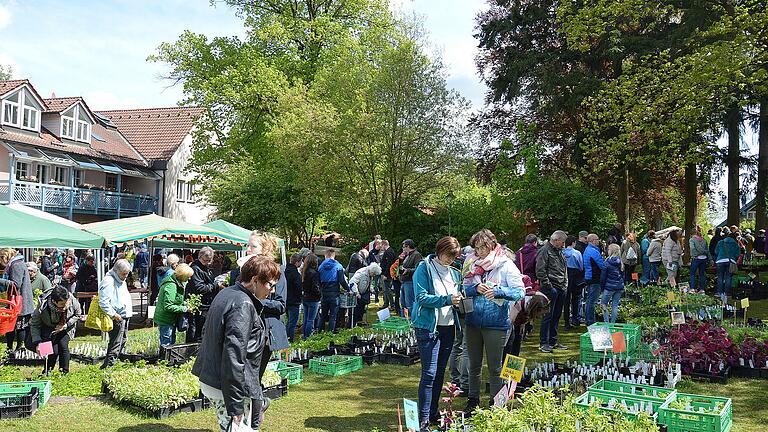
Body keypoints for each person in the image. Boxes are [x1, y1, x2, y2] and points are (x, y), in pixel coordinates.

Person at [192, 256, 280, 432]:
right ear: (255, 280)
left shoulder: (228, 293)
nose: (272, 290)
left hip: (217, 380)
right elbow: (234, 356)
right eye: (270, 284)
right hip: (226, 386)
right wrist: (236, 405)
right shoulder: (242, 303)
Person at [462, 229, 525, 413]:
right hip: (473, 321)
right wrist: (475, 288)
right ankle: (472, 401)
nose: (479, 252)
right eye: (476, 248)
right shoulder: (470, 262)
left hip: (496, 323)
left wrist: (498, 291)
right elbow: (460, 288)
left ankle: (496, 404)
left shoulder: (505, 264)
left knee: (495, 367)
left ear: (491, 245)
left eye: (482, 248)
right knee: (473, 365)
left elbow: (520, 291)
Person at [411, 236, 463, 431]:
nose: (451, 260)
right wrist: (448, 299)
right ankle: (423, 418)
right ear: (440, 250)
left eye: (454, 257)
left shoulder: (455, 273)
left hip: (448, 327)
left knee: (440, 372)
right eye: (448, 256)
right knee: (429, 373)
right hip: (428, 327)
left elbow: (458, 295)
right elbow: (421, 298)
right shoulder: (424, 268)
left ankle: (433, 412)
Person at [29, 285, 81, 375]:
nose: (65, 305)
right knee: (52, 349)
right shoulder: (43, 306)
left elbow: (78, 314)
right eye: (62, 304)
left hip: (66, 325)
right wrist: (37, 342)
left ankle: (64, 372)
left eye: (66, 302)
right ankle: (47, 371)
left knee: (63, 346)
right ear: (54, 301)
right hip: (48, 327)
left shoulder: (71, 299)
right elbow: (35, 324)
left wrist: (65, 325)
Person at [536, 230, 569, 353]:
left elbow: (564, 269)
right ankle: (544, 342)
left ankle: (553, 341)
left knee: (556, 315)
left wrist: (565, 284)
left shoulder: (559, 252)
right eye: (562, 242)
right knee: (547, 316)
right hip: (551, 288)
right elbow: (540, 270)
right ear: (555, 240)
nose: (564, 245)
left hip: (561, 287)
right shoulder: (544, 251)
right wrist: (549, 287)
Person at [98, 259, 133, 369]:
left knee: (122, 340)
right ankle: (109, 367)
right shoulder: (109, 281)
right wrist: (113, 314)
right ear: (116, 271)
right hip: (117, 316)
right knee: (115, 343)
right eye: (124, 273)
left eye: (127, 273)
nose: (126, 276)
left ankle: (108, 365)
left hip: (124, 314)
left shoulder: (121, 279)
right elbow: (103, 302)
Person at [0, 248, 34, 354]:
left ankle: (19, 349)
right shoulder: (16, 263)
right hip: (19, 300)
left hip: (21, 302)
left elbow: (16, 284)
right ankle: (10, 348)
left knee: (20, 326)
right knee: (12, 326)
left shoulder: (16, 265)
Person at [185, 247, 220, 343]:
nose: (208, 263)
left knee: (202, 331)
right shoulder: (195, 269)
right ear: (200, 257)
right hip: (198, 305)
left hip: (206, 304)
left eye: (210, 260)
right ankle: (191, 351)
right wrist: (215, 285)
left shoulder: (206, 268)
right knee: (195, 330)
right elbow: (200, 288)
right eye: (206, 260)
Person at [155, 263, 194, 347]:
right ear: (182, 275)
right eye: (188, 276)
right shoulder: (171, 285)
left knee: (172, 342)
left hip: (171, 319)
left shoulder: (178, 282)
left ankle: (168, 359)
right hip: (166, 319)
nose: (189, 278)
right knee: (166, 344)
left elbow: (177, 300)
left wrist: (186, 303)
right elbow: (168, 306)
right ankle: (163, 360)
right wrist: (185, 309)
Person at [505, 291, 551, 356]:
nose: (542, 316)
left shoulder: (544, 300)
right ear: (535, 310)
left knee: (518, 338)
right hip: (510, 317)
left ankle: (514, 361)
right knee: (510, 341)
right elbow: (510, 324)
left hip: (521, 314)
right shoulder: (517, 306)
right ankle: (504, 362)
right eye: (542, 313)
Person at [318, 249, 350, 332]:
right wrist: (348, 289)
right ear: (334, 255)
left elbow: (318, 280)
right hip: (334, 293)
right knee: (333, 315)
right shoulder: (338, 266)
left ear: (326, 255)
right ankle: (330, 332)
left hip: (324, 293)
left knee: (323, 315)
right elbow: (342, 280)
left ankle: (320, 331)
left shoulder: (321, 266)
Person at [583, 234, 606, 326]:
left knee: (589, 300)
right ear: (592, 240)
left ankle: (588, 319)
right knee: (592, 301)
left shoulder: (587, 250)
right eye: (597, 239)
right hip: (594, 278)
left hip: (589, 277)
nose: (598, 241)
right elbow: (602, 265)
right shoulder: (593, 251)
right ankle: (590, 321)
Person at [562, 235, 583, 329]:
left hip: (565, 275)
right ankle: (575, 319)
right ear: (573, 243)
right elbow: (581, 266)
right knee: (576, 298)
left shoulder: (561, 252)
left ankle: (566, 322)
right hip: (575, 276)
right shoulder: (577, 253)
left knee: (566, 300)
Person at [600, 244, 625, 323]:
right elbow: (623, 276)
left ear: (610, 251)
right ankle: (613, 323)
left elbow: (603, 277)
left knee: (603, 304)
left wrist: (602, 288)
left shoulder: (607, 262)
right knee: (615, 305)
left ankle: (607, 323)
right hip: (619, 287)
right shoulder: (620, 262)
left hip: (609, 287)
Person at [715, 229, 741, 303]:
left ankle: (720, 292)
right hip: (730, 261)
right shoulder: (735, 244)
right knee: (728, 277)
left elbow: (716, 251)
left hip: (720, 261)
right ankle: (727, 293)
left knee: (720, 277)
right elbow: (738, 254)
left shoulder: (720, 242)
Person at [399, 239, 423, 316]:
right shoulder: (407, 255)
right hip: (404, 281)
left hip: (410, 281)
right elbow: (402, 266)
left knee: (409, 304)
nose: (403, 249)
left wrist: (408, 270)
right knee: (403, 303)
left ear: (408, 246)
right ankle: (404, 320)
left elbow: (419, 269)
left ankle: (412, 321)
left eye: (403, 247)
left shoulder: (416, 255)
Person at [301, 253, 321, 339]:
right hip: (313, 298)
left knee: (306, 318)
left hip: (305, 297)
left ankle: (304, 335)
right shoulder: (314, 273)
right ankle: (308, 336)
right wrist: (319, 294)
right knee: (310, 319)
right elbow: (315, 287)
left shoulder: (304, 272)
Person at [284, 254, 303, 342]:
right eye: (300, 261)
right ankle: (289, 340)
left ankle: (287, 338)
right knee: (292, 322)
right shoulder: (295, 273)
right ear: (297, 262)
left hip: (285, 299)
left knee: (289, 321)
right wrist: (300, 296)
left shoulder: (284, 271)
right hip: (294, 300)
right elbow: (298, 287)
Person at [689, 226, 711, 293]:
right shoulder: (704, 240)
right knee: (702, 274)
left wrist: (694, 255)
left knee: (692, 273)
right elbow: (707, 250)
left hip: (696, 258)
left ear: (691, 234)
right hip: (704, 258)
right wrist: (710, 259)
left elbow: (692, 248)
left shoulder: (692, 240)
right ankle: (702, 289)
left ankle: (692, 288)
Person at [379, 240, 397, 310]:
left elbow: (389, 264)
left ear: (384, 244)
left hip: (387, 274)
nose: (381, 248)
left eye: (381, 246)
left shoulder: (389, 252)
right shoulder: (389, 251)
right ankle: (386, 303)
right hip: (386, 273)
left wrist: (386, 274)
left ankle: (392, 305)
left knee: (387, 289)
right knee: (385, 289)